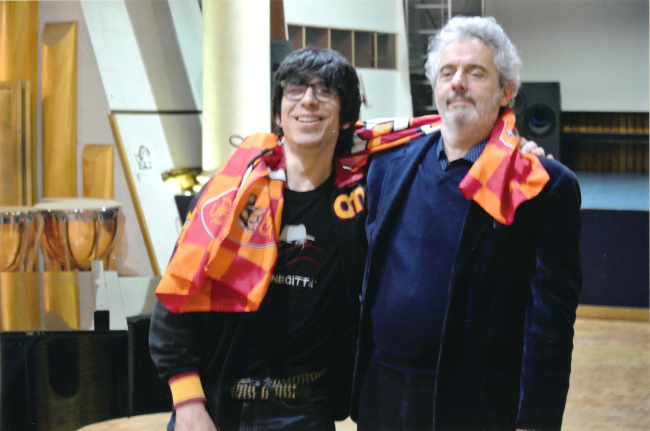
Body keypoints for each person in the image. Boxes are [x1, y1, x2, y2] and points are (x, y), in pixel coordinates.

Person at [351, 16, 582, 431]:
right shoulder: (387, 167)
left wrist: (535, 421)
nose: (458, 82)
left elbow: (550, 321)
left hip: (474, 404)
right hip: (382, 393)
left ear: (506, 91)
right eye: (447, 72)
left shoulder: (539, 185)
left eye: (475, 72)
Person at [149, 47, 366, 431]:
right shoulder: (231, 194)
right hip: (220, 406)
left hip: (307, 413)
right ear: (278, 114)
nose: (308, 100)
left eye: (325, 90)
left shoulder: (358, 208)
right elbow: (175, 301)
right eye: (295, 89)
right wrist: (188, 402)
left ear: (346, 117)